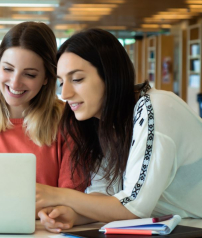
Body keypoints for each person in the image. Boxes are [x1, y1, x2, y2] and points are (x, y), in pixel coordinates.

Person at [38, 28, 202, 233]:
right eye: (61, 82)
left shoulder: (156, 108)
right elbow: (104, 196)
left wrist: (56, 195)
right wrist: (72, 214)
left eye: (77, 79)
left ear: (110, 75)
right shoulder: (105, 122)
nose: (65, 93)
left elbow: (132, 210)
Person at [0, 21, 87, 215]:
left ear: (47, 78)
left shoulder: (68, 123)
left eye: (29, 74)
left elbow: (70, 201)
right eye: (8, 69)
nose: (15, 82)